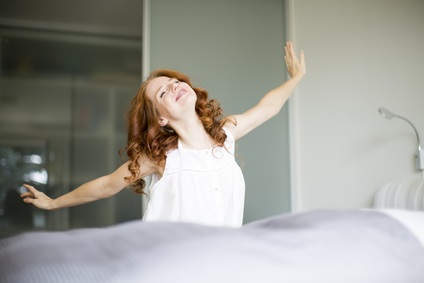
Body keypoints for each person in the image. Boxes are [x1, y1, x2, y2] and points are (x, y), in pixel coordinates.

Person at [20, 41, 306, 228]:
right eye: (163, 92)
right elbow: (108, 184)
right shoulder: (162, 159)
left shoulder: (225, 135)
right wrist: (53, 202)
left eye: (174, 81)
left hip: (220, 265)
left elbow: (268, 106)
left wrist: (295, 78)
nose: (174, 86)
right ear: (161, 118)